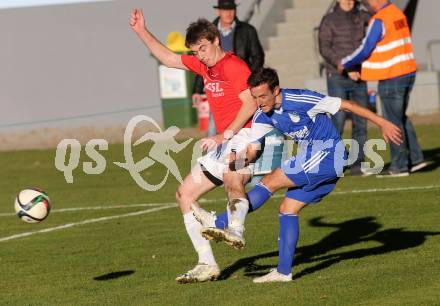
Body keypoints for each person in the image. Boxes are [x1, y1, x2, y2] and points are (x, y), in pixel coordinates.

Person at [192, 67, 402, 283]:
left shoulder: (302, 99)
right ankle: (283, 272)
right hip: (318, 160)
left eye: (263, 96)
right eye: (254, 97)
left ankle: (220, 222)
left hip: (329, 154)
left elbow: (347, 105)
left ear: (276, 90)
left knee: (271, 180)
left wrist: (382, 122)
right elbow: (253, 151)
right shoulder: (262, 116)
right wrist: (237, 161)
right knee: (287, 208)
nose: (259, 102)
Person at [130, 10, 258, 283]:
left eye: (203, 48)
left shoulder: (234, 66)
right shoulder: (204, 66)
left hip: (244, 136)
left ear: (215, 40)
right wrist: (142, 30)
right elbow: (167, 57)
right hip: (224, 141)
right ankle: (207, 263)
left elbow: (250, 103)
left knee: (232, 180)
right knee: (184, 195)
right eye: (196, 51)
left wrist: (225, 135)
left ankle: (235, 230)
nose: (200, 55)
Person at [337, 0, 428, 177]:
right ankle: (416, 159)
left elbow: (365, 49)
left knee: (391, 121)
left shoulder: (380, 20)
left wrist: (345, 62)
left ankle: (399, 166)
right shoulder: (397, 13)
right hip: (407, 72)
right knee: (399, 116)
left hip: (391, 75)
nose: (367, 4)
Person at [192, 0, 265, 136]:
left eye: (232, 9)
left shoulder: (247, 30)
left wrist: (249, 80)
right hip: (218, 87)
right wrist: (196, 90)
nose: (229, 13)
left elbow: (258, 56)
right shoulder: (206, 34)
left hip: (240, 85)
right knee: (213, 128)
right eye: (225, 10)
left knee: (246, 124)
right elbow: (201, 61)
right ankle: (216, 153)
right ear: (218, 11)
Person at [318, 0, 370, 176]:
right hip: (337, 76)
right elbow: (324, 48)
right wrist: (346, 67)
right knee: (338, 121)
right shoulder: (329, 19)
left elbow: (370, 42)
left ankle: (358, 164)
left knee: (361, 121)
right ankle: (335, 162)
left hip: (360, 76)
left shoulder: (364, 16)